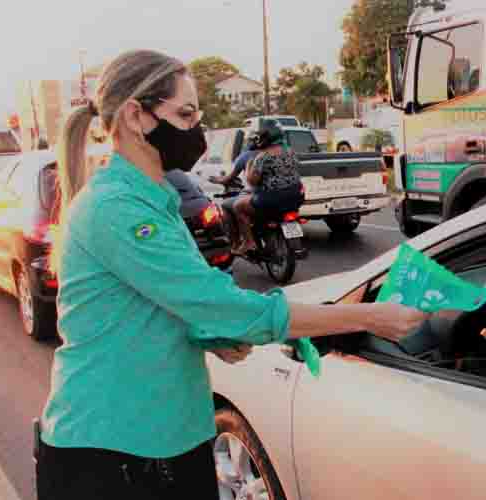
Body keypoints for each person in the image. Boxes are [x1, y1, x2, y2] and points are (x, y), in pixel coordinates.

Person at [38, 49, 426, 500]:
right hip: (112, 451)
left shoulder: (156, 199)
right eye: (184, 114)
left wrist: (211, 336)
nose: (196, 129)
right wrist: (369, 317)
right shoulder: (116, 207)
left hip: (170, 438)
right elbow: (220, 306)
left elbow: (170, 307)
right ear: (134, 116)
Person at [233, 126, 303, 254]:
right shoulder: (291, 152)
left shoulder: (263, 157)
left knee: (238, 206)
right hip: (296, 197)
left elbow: (252, 181)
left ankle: (249, 242)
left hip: (271, 200)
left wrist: (249, 166)